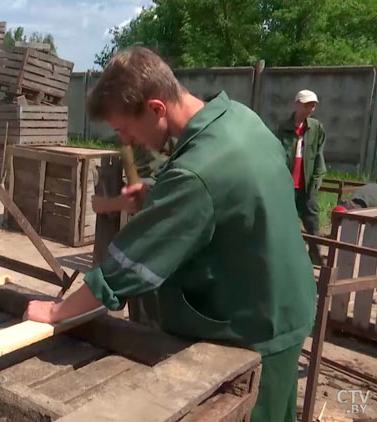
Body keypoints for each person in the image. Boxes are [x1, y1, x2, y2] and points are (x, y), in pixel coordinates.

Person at [24, 47, 316, 422]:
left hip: (255, 331)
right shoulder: (240, 118)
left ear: (157, 109)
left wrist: (56, 310)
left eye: (126, 130)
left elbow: (128, 268)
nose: (128, 141)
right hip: (286, 305)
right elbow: (230, 198)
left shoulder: (197, 175)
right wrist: (157, 194)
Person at [276, 89, 327, 264]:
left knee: (312, 221)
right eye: (307, 105)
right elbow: (276, 153)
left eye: (313, 105)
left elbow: (319, 153)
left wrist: (318, 177)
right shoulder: (283, 127)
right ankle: (286, 257)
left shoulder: (315, 127)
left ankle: (315, 255)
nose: (311, 109)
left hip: (306, 183)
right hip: (287, 183)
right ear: (297, 104)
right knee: (286, 222)